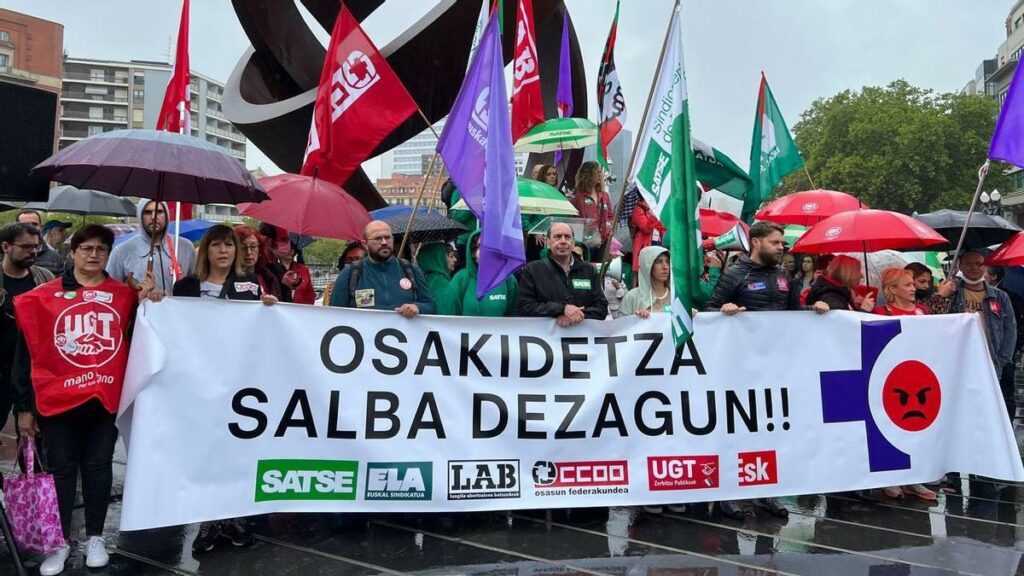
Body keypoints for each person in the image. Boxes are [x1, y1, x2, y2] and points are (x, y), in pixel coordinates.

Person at [12, 224, 159, 575]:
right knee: (60, 471)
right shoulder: (42, 296)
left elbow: (144, 340)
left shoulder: (125, 296)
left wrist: (149, 302)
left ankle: (95, 537)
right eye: (87, 248)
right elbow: (26, 353)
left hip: (103, 401)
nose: (94, 255)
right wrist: (24, 407)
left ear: (109, 255)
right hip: (57, 402)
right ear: (74, 252)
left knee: (98, 468)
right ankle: (59, 542)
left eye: (101, 249)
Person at [705, 221, 827, 519]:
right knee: (736, 431)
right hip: (739, 370)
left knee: (769, 432)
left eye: (782, 243)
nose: (781, 247)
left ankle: (766, 491)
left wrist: (815, 310)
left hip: (775, 369)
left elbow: (794, 316)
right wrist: (723, 311)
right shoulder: (735, 275)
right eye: (775, 242)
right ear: (756, 242)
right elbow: (709, 312)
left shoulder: (785, 276)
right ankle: (729, 494)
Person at [171, 225, 274, 552]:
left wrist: (269, 308)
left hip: (238, 382)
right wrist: (156, 301)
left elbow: (262, 331)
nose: (223, 251)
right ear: (206, 251)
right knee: (206, 453)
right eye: (216, 245)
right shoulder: (185, 286)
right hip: (199, 381)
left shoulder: (250, 284)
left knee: (236, 452)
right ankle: (208, 520)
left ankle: (234, 517)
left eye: (229, 244)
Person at [868, 267, 943, 502]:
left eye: (913, 284)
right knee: (892, 430)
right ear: (892, 290)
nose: (914, 289)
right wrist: (863, 312)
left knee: (918, 428)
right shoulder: (881, 313)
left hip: (919, 380)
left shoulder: (922, 311)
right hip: (892, 382)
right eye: (908, 285)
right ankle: (891, 478)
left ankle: (914, 478)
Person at [930, 250, 1016, 402]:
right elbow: (934, 319)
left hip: (991, 360)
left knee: (988, 402)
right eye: (968, 263)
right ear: (960, 266)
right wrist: (942, 295)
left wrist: (1002, 360)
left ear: (985, 266)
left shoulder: (1000, 297)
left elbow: (1010, 329)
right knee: (959, 401)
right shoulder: (952, 292)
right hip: (958, 360)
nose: (974, 267)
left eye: (978, 263)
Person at [0, 223, 55, 432]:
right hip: (2, 369)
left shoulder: (44, 278)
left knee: (31, 435)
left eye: (35, 246)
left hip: (31, 373)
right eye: (25, 247)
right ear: (6, 247)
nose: (32, 252)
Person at [329, 221, 435, 316]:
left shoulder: (411, 270)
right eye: (377, 238)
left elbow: (431, 306)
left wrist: (417, 307)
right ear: (365, 244)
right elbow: (334, 314)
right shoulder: (350, 274)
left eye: (388, 237)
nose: (384, 242)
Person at [517, 222, 608, 325]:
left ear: (573, 243)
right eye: (557, 237)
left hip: (581, 333)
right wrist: (561, 309)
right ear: (548, 242)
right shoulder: (533, 270)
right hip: (545, 334)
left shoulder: (589, 270)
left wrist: (576, 315)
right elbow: (524, 307)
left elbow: (602, 308)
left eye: (567, 237)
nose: (563, 241)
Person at [107, 199, 196, 293]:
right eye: (147, 212)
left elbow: (195, 288)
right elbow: (110, 293)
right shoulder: (121, 251)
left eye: (159, 212)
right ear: (140, 216)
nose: (154, 217)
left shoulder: (186, 247)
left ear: (167, 215)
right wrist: (138, 297)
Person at [447, 231, 518, 316]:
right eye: (479, 246)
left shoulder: (508, 280)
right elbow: (451, 312)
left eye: (488, 246)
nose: (484, 250)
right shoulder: (461, 278)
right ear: (473, 252)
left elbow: (512, 316)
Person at [236, 225, 291, 302]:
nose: (249, 252)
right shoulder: (226, 278)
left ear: (260, 250)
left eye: (253, 246)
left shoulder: (270, 278)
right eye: (243, 247)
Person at [571, 161, 613, 259]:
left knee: (600, 267)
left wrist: (610, 230)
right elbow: (572, 218)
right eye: (597, 172)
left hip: (603, 241)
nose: (600, 175)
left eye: (600, 172)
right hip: (584, 241)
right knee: (586, 266)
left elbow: (610, 216)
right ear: (588, 174)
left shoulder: (604, 195)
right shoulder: (577, 196)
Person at [804, 255, 877, 312]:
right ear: (847, 274)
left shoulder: (838, 292)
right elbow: (843, 324)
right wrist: (864, 310)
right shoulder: (831, 297)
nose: (862, 275)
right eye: (858, 271)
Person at [620, 246, 672, 319]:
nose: (665, 267)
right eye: (658, 262)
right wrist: (637, 319)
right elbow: (621, 324)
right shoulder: (632, 297)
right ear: (647, 265)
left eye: (667, 262)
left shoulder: (676, 296)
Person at [630, 196, 665, 277]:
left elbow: (662, 228)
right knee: (645, 274)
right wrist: (653, 215)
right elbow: (646, 229)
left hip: (657, 243)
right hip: (645, 246)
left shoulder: (655, 209)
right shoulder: (638, 210)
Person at [416, 242, 454, 314]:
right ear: (439, 259)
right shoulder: (441, 283)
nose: (455, 259)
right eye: (451, 256)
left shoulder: (420, 279)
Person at [278, 240, 315, 305]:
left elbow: (310, 295)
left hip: (300, 309)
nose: (290, 250)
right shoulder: (272, 270)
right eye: (287, 248)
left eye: (292, 248)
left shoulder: (304, 270)